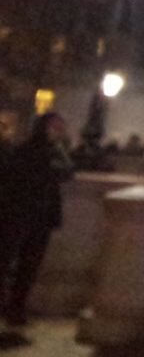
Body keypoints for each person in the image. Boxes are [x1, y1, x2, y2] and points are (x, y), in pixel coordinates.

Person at [0, 112, 74, 328]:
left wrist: (59, 147)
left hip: (41, 217)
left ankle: (17, 309)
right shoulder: (25, 152)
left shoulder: (51, 153)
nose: (58, 132)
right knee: (7, 263)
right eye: (55, 127)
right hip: (18, 215)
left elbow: (69, 172)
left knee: (29, 266)